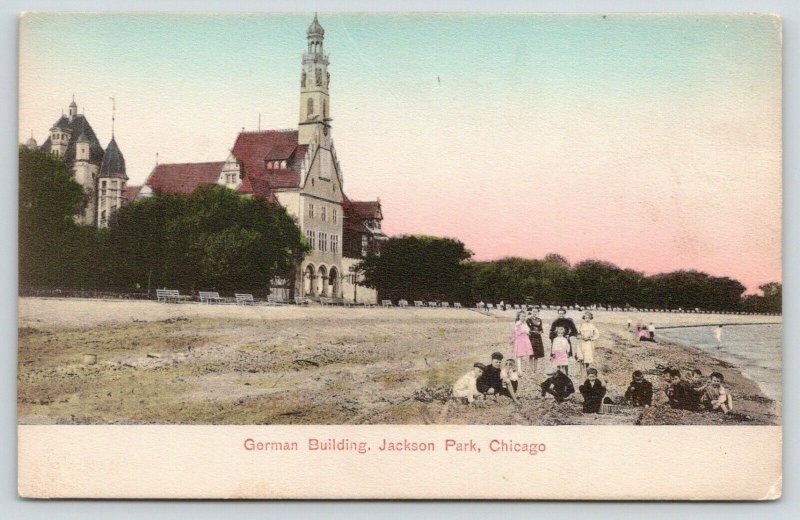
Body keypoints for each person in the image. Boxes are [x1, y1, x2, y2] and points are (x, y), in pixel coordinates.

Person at [576, 311, 600, 378]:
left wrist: (590, 338)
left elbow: (597, 334)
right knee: (581, 358)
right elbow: (577, 333)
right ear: (584, 318)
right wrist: (581, 337)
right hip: (581, 342)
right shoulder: (581, 325)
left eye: (589, 318)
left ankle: (587, 373)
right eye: (586, 318)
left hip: (588, 343)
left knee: (587, 358)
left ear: (591, 318)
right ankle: (580, 373)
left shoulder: (592, 326)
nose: (587, 319)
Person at [525, 307, 546, 374]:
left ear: (537, 312)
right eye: (533, 311)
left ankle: (535, 369)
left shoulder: (539, 320)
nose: (534, 313)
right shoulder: (528, 320)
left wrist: (540, 332)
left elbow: (541, 329)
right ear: (531, 312)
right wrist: (532, 332)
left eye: (536, 311)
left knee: (536, 354)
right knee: (531, 354)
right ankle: (531, 369)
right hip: (531, 337)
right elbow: (527, 329)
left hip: (538, 338)